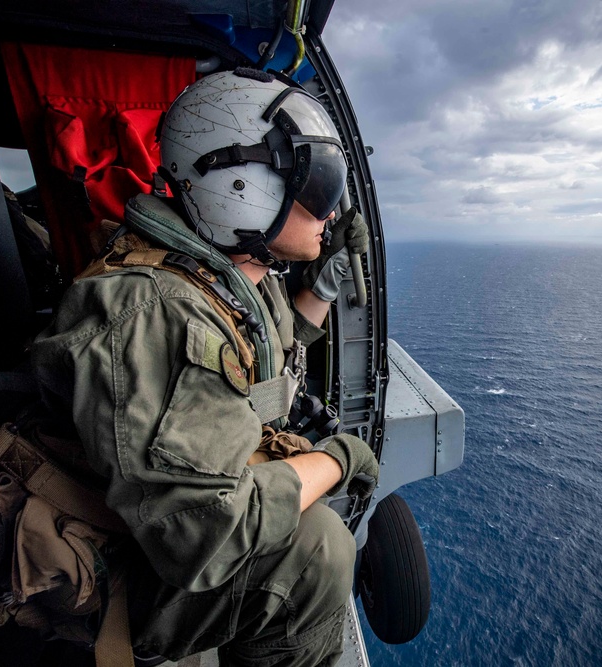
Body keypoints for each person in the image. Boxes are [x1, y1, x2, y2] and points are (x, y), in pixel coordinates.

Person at [29, 67, 379, 666]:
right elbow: (208, 536)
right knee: (318, 554)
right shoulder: (154, 314)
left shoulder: (230, 270)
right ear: (243, 186)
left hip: (160, 506)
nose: (331, 207)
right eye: (319, 184)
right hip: (124, 560)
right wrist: (340, 459)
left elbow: (270, 344)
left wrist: (327, 279)